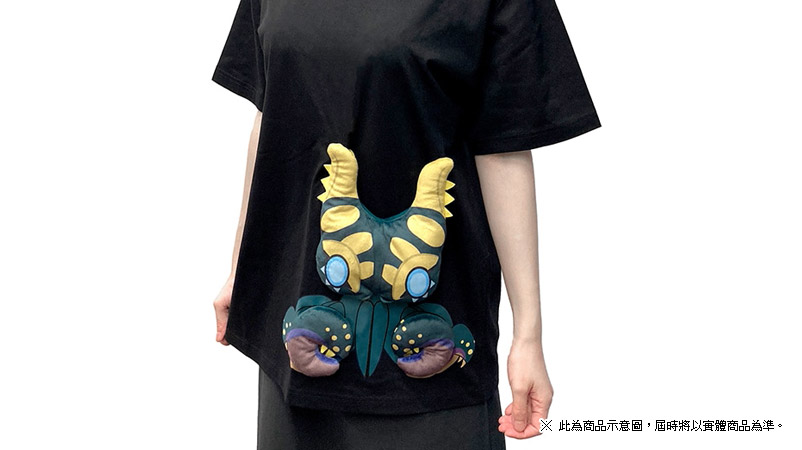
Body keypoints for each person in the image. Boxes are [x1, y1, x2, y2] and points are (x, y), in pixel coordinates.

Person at [211, 0, 600, 448]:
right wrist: (240, 267)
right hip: (298, 343)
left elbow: (504, 148)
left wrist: (527, 333)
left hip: (434, 361)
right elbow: (270, 109)